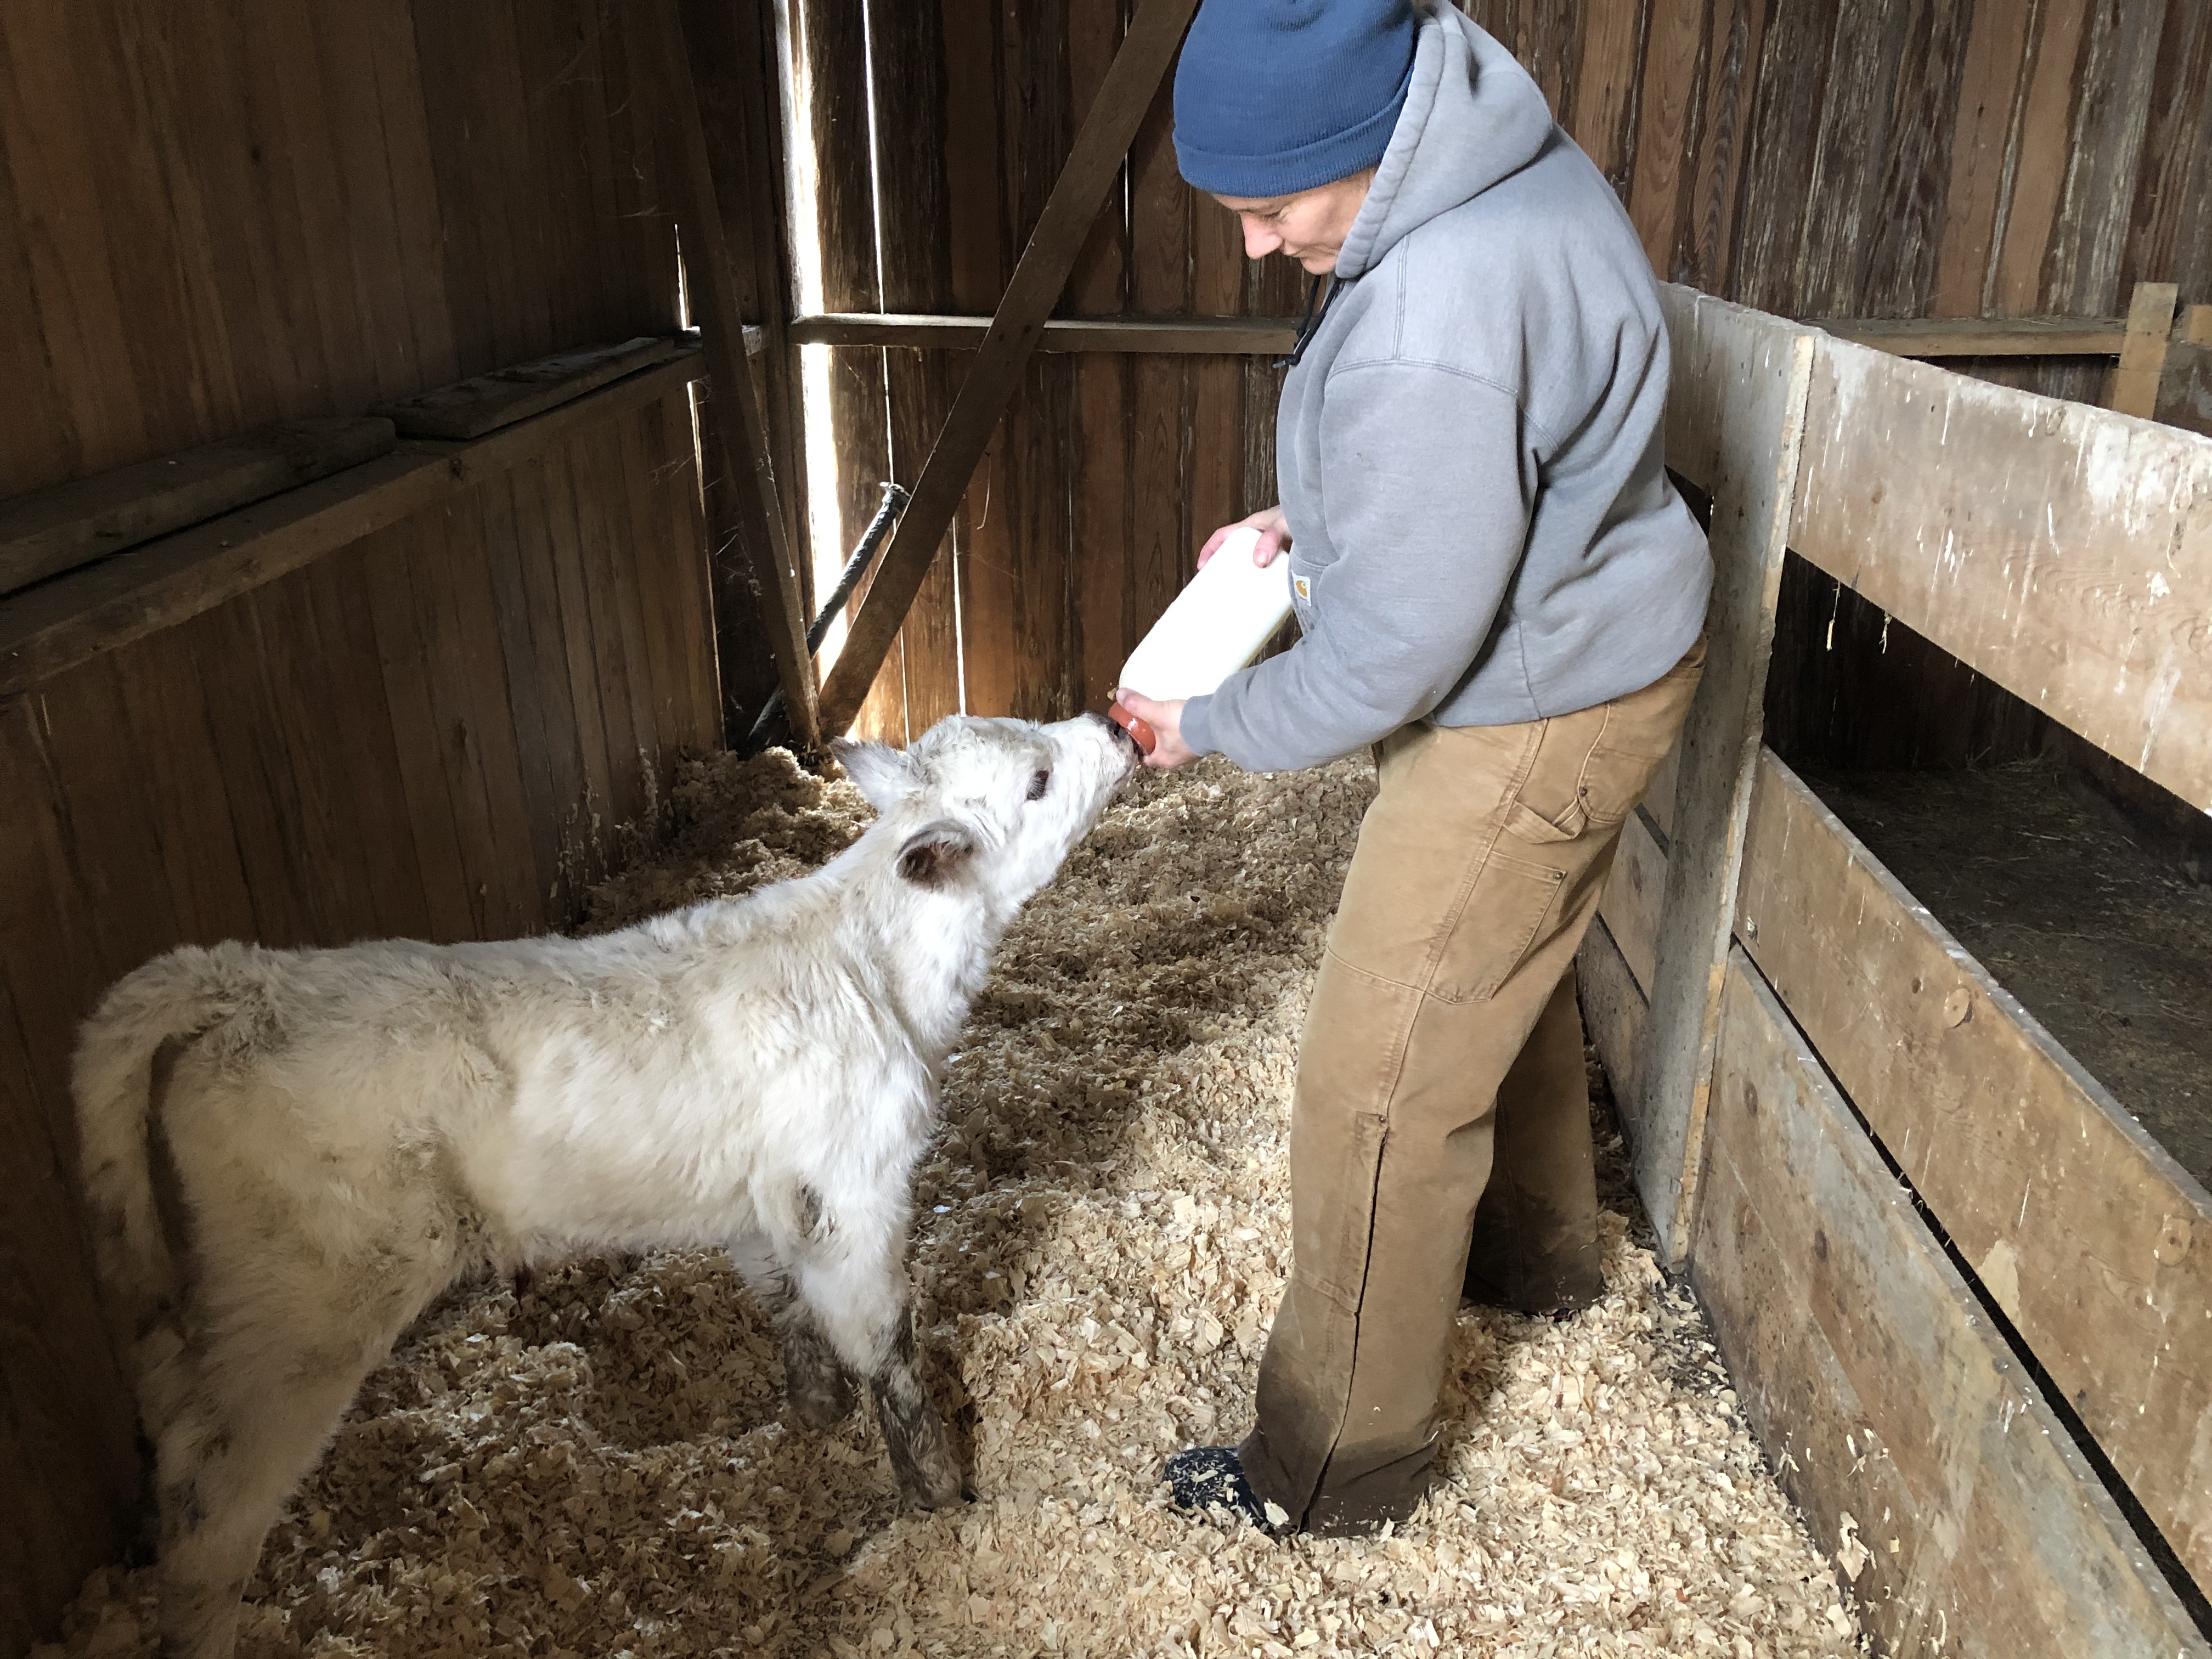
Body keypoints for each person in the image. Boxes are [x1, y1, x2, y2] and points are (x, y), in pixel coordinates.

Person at [1112, 0, 1711, 1539]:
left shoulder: (1432, 305)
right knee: (1488, 970)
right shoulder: (1484, 147)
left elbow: (1392, 658)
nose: (1256, 245)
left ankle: (1332, 1468)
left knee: (1374, 1081)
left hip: (1533, 701)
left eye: (1272, 208)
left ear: (1366, 145)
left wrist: (1209, 722)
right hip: (1600, 636)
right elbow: (1500, 450)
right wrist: (1306, 523)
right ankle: (1537, 1264)